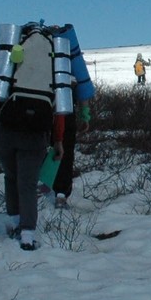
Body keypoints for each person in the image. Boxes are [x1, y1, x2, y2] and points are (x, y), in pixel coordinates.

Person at [0, 21, 69, 250]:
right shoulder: (55, 60)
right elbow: (59, 109)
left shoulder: (13, 53)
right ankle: (28, 236)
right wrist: (59, 139)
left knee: (11, 177)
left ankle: (14, 222)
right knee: (28, 183)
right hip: (36, 133)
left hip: (5, 128)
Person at [49, 24, 97, 208]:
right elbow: (83, 87)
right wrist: (85, 115)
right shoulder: (70, 54)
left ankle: (36, 187)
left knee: (39, 149)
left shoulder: (38, 52)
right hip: (66, 106)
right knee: (65, 151)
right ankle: (61, 193)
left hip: (41, 108)